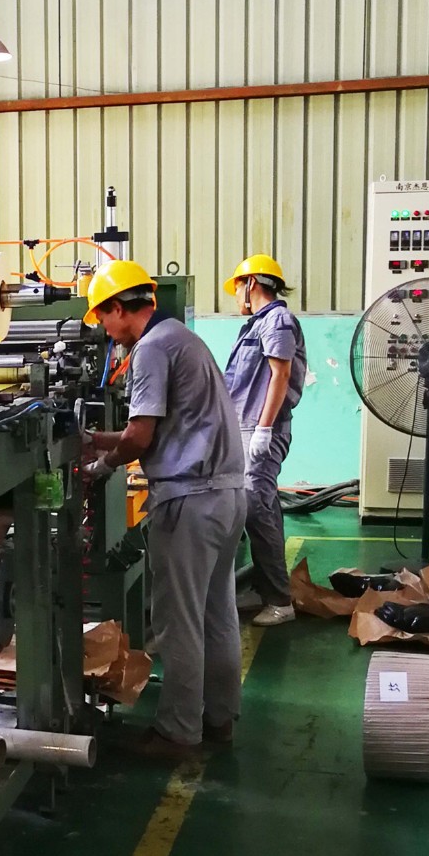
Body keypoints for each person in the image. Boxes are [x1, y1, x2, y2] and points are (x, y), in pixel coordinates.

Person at [81, 260, 248, 760]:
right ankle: (219, 719)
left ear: (118, 308)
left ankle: (178, 732)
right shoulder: (182, 338)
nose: (103, 329)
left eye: (101, 317)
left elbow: (140, 436)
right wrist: (99, 443)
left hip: (189, 502)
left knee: (179, 623)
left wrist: (97, 461)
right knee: (218, 615)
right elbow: (157, 428)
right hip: (227, 496)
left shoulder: (151, 348)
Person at [222, 253, 307, 626]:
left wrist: (264, 428)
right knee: (259, 508)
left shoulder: (277, 321)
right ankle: (264, 588)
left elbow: (280, 374)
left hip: (260, 431)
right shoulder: (257, 324)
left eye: (237, 287)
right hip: (246, 428)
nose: (236, 295)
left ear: (251, 284)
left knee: (258, 509)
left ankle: (279, 601)